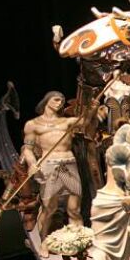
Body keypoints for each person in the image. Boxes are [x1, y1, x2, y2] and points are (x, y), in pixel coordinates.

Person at [23, 91, 83, 238]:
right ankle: (44, 241)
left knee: (74, 208)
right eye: (56, 99)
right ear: (47, 101)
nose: (60, 103)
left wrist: (93, 107)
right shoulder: (32, 124)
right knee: (49, 208)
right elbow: (27, 149)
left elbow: (86, 121)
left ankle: (79, 241)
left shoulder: (67, 122)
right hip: (49, 165)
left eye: (62, 101)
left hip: (69, 163)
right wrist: (32, 163)